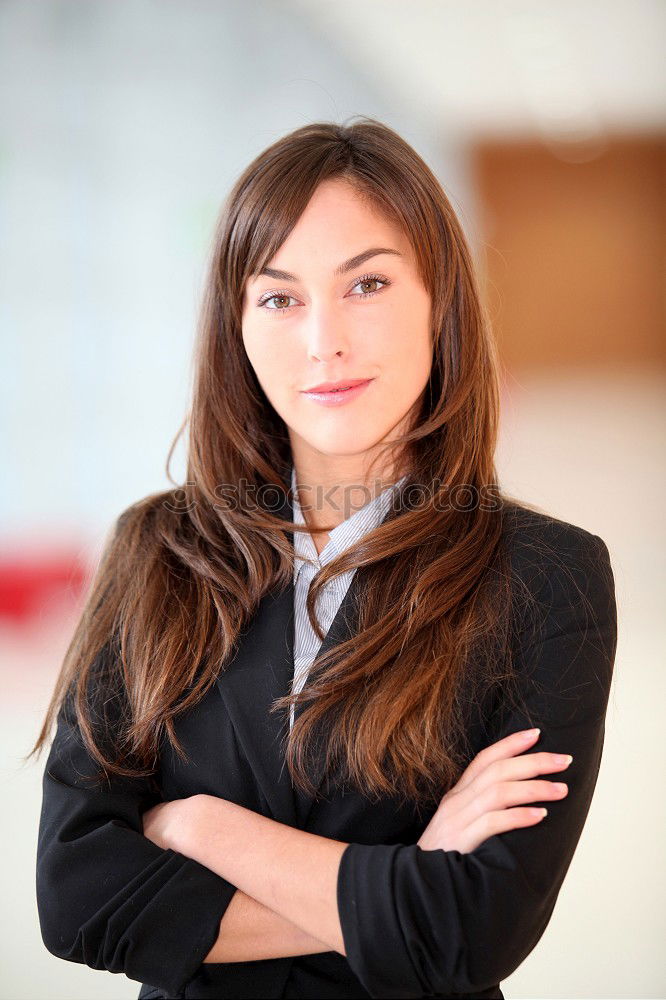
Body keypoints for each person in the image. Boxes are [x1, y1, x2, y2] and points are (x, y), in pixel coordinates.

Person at [29, 117, 617, 1000]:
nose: (322, 341)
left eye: (368, 283)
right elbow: (79, 902)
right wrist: (409, 876)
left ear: (441, 300)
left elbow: (472, 933)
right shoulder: (156, 551)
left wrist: (201, 830)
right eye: (279, 297)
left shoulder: (547, 577)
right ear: (237, 326)